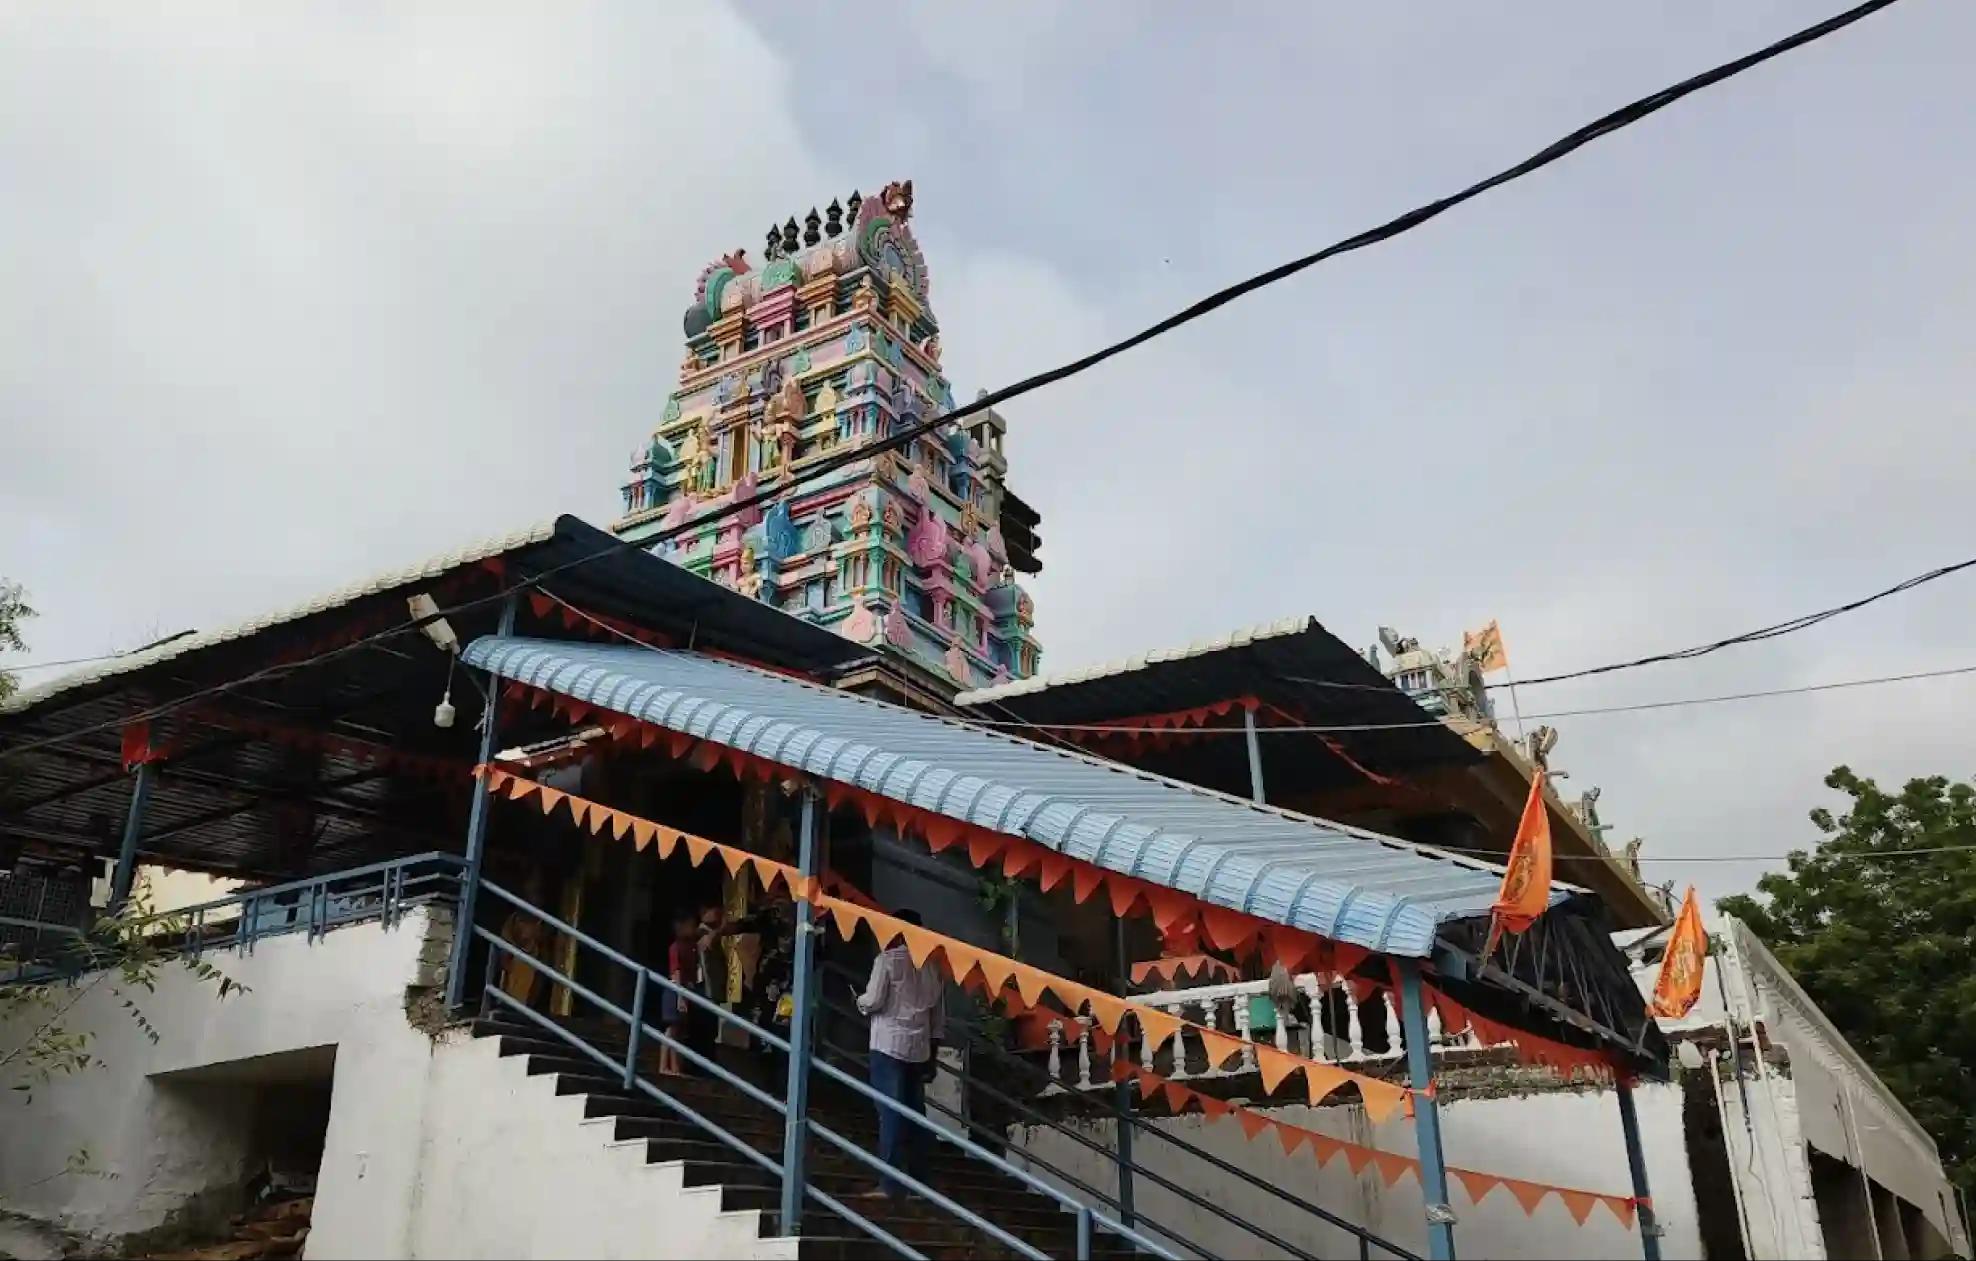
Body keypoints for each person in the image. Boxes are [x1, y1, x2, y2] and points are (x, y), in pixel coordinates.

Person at [854, 909, 945, 1200]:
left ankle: (891, 1184)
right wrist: (933, 1054)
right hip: (918, 1050)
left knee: (889, 1114)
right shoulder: (932, 968)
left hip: (888, 1047)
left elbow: (874, 1000)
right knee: (915, 1115)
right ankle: (921, 1181)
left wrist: (859, 1001)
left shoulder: (888, 960)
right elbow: (938, 1019)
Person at [659, 911, 699, 1077]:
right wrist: (681, 996)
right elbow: (676, 973)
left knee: (679, 1031)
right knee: (672, 1029)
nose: (693, 928)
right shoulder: (675, 948)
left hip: (685, 990)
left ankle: (674, 1067)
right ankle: (666, 1066)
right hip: (675, 990)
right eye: (690, 925)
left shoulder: (691, 947)